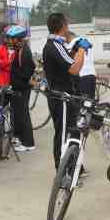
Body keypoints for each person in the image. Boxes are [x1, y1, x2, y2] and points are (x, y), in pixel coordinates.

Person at [42, 13, 89, 169]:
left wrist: (75, 50)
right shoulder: (54, 45)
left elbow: (66, 62)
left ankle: (73, 167)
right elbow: (74, 69)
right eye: (67, 24)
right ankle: (62, 171)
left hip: (65, 96)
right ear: (63, 26)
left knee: (71, 131)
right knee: (63, 134)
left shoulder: (56, 45)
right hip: (60, 97)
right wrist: (81, 49)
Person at [7, 25, 36, 152]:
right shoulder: (19, 50)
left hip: (22, 89)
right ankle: (20, 138)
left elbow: (28, 71)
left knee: (23, 115)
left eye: (11, 38)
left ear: (18, 39)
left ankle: (28, 143)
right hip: (17, 88)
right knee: (18, 114)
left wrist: (18, 80)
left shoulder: (24, 53)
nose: (9, 41)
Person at [66, 32, 96, 98]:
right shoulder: (86, 42)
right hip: (92, 75)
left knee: (80, 101)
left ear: (68, 37)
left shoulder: (72, 44)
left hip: (81, 76)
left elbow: (68, 60)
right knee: (90, 100)